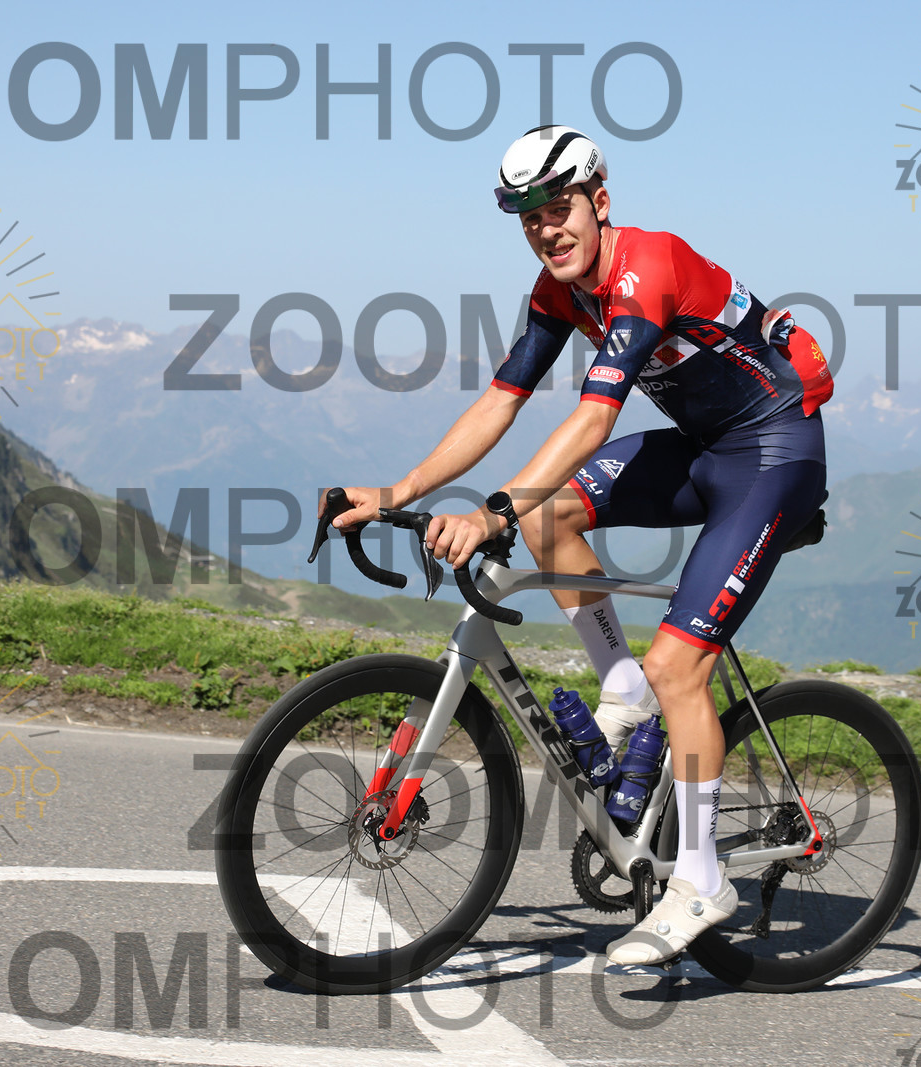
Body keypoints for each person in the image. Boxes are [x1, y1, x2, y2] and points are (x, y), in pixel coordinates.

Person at [325, 125, 831, 964]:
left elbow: (595, 419)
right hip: (705, 448)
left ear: (600, 201)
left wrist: (490, 510)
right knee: (548, 516)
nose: (546, 230)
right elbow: (501, 400)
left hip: (775, 455)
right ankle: (621, 683)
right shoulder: (561, 291)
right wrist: (397, 491)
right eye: (530, 218)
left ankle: (701, 878)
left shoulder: (646, 269)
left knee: (680, 665)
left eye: (558, 209)